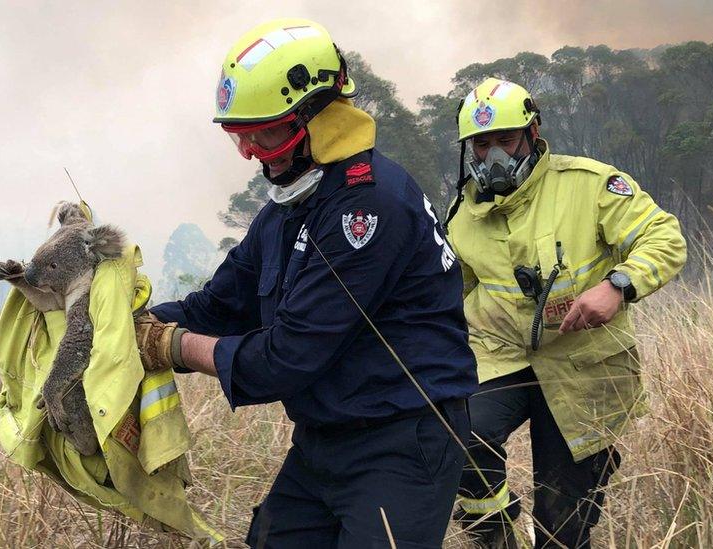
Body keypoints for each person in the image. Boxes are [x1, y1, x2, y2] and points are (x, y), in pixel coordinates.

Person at [137, 18, 477, 547]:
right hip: (323, 441)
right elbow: (218, 304)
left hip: (403, 440)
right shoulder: (288, 206)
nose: (250, 153)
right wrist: (130, 322)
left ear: (317, 115)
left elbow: (288, 357)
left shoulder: (367, 207)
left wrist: (170, 347)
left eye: (265, 132)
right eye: (238, 135)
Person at [444, 77, 686, 548]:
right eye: (481, 144)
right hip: (502, 358)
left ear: (533, 135)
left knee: (563, 526)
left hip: (583, 367)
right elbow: (448, 295)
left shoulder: (590, 184)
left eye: (506, 140)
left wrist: (617, 286)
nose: (493, 156)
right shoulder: (461, 216)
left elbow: (665, 238)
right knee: (455, 435)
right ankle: (494, 535)